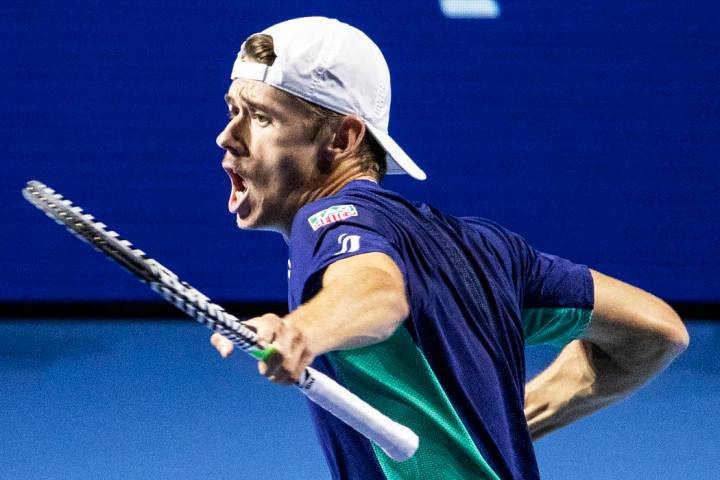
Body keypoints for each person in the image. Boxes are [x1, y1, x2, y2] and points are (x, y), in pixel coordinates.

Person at [210, 16, 689, 480]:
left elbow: (376, 291)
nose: (228, 137)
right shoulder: (489, 250)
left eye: (260, 117)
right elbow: (658, 331)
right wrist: (493, 431)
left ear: (342, 138)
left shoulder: (323, 221)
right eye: (234, 111)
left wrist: (302, 329)